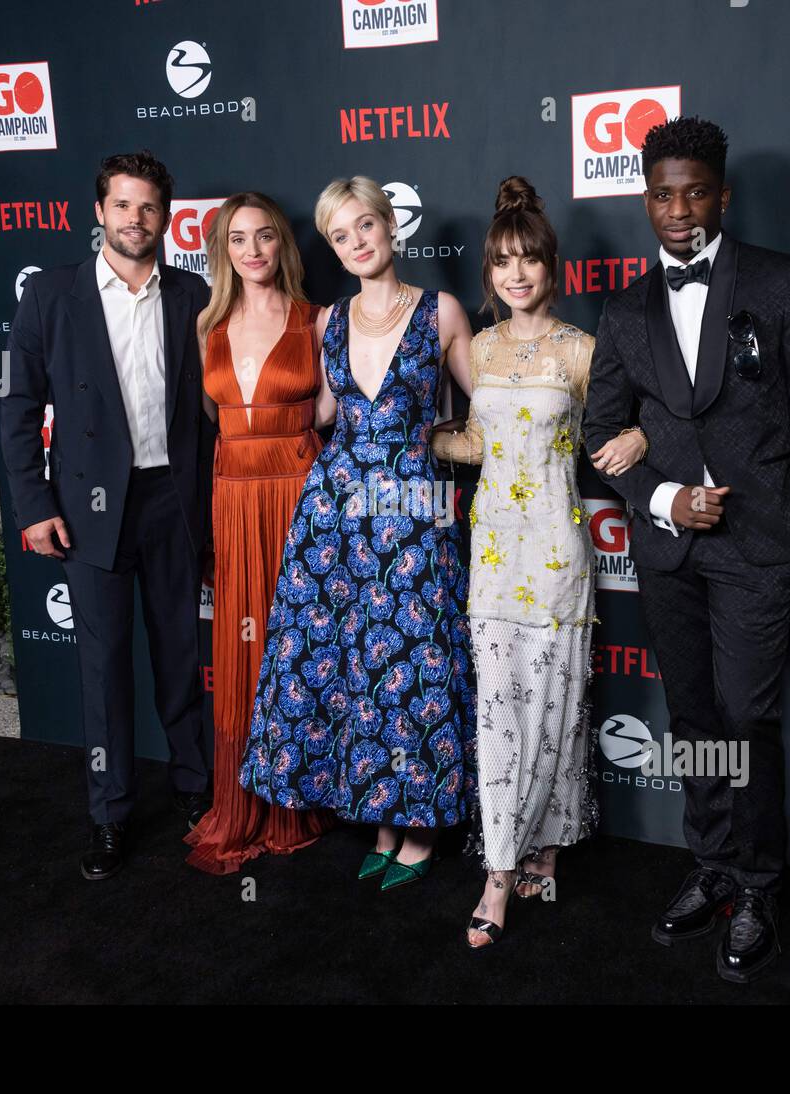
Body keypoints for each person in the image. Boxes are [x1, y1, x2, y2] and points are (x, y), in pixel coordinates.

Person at [583, 117, 790, 981]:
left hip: (760, 552)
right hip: (668, 554)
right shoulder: (624, 308)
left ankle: (760, 885)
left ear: (722, 195)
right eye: (663, 194)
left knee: (744, 717)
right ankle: (715, 865)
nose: (680, 209)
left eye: (696, 192)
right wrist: (659, 497)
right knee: (693, 719)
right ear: (645, 199)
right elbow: (597, 431)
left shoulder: (782, 282)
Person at [239, 176, 476, 890]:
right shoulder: (328, 322)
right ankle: (378, 816)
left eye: (365, 226)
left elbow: (486, 414)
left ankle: (423, 825)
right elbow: (322, 415)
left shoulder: (441, 311)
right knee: (354, 666)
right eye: (340, 236)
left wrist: (436, 444)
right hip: (336, 514)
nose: (356, 243)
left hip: (410, 510)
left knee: (417, 659)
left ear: (390, 226)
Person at [432, 177, 647, 947]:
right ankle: (497, 873)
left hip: (558, 553)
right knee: (501, 717)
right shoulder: (477, 348)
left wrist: (643, 440)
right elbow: (480, 445)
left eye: (529, 259)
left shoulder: (582, 350)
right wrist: (423, 441)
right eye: (502, 262)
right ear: (488, 273)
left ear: (552, 267)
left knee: (555, 712)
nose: (516, 274)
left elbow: (628, 423)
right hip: (491, 554)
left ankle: (546, 851)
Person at [0, 150, 215, 881]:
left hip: (173, 503)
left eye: (149, 207)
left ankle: (195, 792)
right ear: (99, 213)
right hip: (88, 508)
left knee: (182, 661)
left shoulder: (193, 295)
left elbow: (213, 417)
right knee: (103, 671)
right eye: (122, 205)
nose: (135, 219)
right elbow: (20, 412)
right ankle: (111, 816)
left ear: (167, 216)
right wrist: (33, 507)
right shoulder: (52, 297)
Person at [184, 193, 335, 874]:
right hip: (234, 495)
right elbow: (206, 426)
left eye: (264, 236)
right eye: (238, 239)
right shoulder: (205, 326)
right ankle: (242, 804)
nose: (252, 251)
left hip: (300, 492)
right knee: (244, 644)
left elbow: (337, 411)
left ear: (283, 246)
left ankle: (298, 799)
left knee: (297, 646)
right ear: (223, 250)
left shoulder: (317, 321)